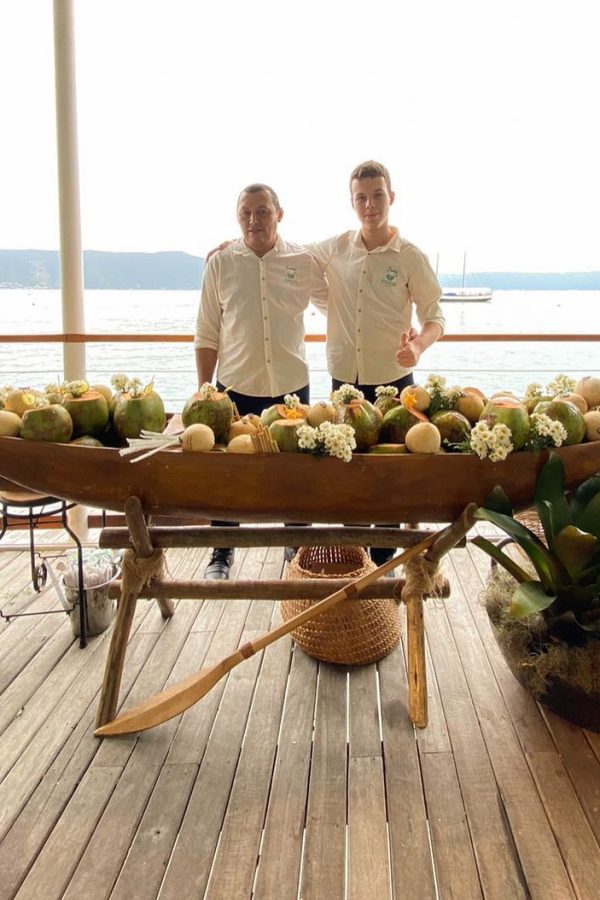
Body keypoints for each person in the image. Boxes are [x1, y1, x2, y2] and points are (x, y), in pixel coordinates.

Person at [308, 160, 445, 564]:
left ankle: (384, 561)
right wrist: (233, 244)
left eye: (377, 195)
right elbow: (288, 253)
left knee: (390, 477)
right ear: (352, 202)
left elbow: (435, 317)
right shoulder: (336, 247)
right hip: (344, 383)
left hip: (394, 385)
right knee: (346, 470)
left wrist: (417, 347)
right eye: (361, 198)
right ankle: (354, 557)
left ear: (392, 197)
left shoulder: (410, 257)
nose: (370, 205)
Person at [195, 183, 328, 579]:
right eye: (246, 212)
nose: (254, 220)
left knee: (295, 473)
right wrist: (205, 391)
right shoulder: (221, 264)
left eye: (263, 211)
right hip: (235, 389)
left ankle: (297, 545)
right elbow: (206, 331)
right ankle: (222, 550)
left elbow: (338, 303)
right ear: (238, 217)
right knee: (229, 474)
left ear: (279, 214)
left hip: (291, 388)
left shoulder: (302, 260)